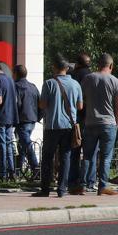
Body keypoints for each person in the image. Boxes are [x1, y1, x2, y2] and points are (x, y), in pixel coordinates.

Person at [32, 54, 83, 198]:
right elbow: (80, 106)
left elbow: (42, 104)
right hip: (69, 126)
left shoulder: (49, 83)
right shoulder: (76, 84)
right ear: (67, 68)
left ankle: (45, 189)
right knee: (65, 157)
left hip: (53, 126)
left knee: (48, 158)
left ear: (54, 67)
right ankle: (62, 189)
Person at [79, 53, 118, 196]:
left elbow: (81, 99)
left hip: (90, 122)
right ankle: (102, 186)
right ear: (111, 66)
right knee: (106, 157)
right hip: (108, 123)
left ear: (98, 64)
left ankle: (83, 185)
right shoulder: (115, 81)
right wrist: (116, 123)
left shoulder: (88, 78)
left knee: (87, 155)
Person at [69, 53, 91, 194]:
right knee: (89, 152)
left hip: (75, 117)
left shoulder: (73, 76)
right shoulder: (92, 76)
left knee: (74, 150)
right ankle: (88, 181)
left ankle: (72, 179)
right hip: (90, 118)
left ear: (77, 64)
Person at [12, 64, 41, 176]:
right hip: (32, 120)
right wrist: (38, 117)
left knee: (27, 145)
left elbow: (16, 104)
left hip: (22, 121)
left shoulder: (16, 86)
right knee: (22, 145)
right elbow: (40, 104)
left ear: (15, 74)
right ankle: (18, 171)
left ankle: (36, 169)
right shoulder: (33, 87)